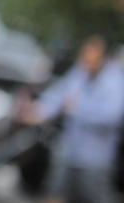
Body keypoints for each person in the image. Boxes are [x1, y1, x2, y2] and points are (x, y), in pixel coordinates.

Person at [20, 36, 124, 203]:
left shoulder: (115, 80)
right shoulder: (80, 72)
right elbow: (59, 95)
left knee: (95, 196)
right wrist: (38, 111)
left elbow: (112, 115)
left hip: (95, 158)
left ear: (103, 56)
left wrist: (78, 110)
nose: (87, 59)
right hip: (69, 151)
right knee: (55, 194)